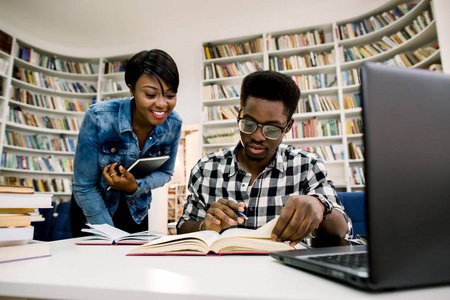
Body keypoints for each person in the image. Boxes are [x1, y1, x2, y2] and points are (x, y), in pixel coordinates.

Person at [177, 70, 352, 246]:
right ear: (240, 114)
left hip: (287, 271)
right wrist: (204, 226)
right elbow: (183, 226)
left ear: (288, 126)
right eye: (249, 123)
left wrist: (321, 207)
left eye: (272, 129)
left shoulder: (307, 166)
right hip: (222, 271)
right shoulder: (206, 168)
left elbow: (342, 230)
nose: (258, 136)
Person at [71, 49, 182, 236]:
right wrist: (110, 234)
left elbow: (165, 172)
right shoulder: (99, 118)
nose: (162, 104)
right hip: (92, 210)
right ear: (131, 89)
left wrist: (134, 187)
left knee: (131, 264)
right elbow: (84, 186)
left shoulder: (174, 124)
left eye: (170, 96)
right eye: (150, 95)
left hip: (135, 212)